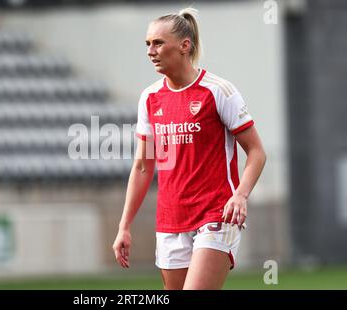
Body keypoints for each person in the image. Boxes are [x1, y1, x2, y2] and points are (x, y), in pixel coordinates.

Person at [112, 8, 266, 290]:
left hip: (216, 215)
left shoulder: (218, 91)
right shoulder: (149, 98)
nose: (151, 51)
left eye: (158, 43)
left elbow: (256, 151)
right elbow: (144, 166)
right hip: (171, 220)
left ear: (185, 46)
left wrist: (241, 195)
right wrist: (124, 226)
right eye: (147, 44)